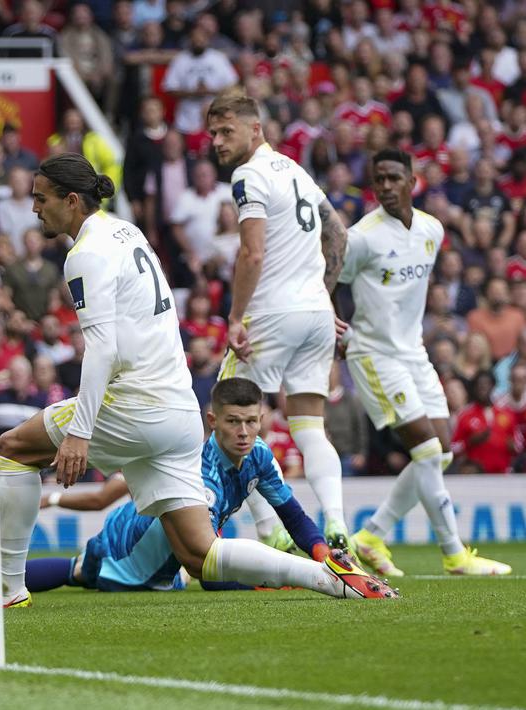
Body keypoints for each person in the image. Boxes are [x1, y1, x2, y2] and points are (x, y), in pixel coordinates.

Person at [0, 153, 392, 610]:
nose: (34, 209)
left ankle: (6, 591)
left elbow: (102, 348)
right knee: (199, 554)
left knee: (13, 449)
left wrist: (80, 433)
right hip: (179, 412)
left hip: (134, 404)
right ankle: (330, 578)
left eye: (41, 199)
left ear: (70, 200)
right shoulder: (127, 231)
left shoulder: (83, 254)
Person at [24, 379, 387, 597]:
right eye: (233, 422)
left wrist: (325, 555)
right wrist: (278, 580)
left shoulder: (259, 454)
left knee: (78, 572)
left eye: (250, 422)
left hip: (159, 551)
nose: (243, 433)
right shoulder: (203, 474)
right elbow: (209, 571)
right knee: (82, 572)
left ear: (261, 420)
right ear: (212, 421)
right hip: (127, 546)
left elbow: (292, 514)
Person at [337, 149, 510, 577]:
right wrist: (333, 323)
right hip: (374, 354)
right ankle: (454, 554)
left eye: (395, 177)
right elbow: (328, 277)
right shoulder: (361, 237)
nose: (386, 186)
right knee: (428, 450)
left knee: (442, 452)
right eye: (379, 179)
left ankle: (371, 536)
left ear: (413, 182)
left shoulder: (432, 230)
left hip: (414, 352)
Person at [207, 91, 353, 554]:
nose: (216, 141)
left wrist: (234, 317)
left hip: (270, 313)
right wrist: (323, 298)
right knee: (310, 425)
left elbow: (252, 252)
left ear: (256, 129)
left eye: (226, 131)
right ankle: (336, 522)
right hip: (314, 314)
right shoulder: (296, 170)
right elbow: (339, 235)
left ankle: (269, 530)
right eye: (212, 133)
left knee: (231, 421)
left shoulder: (248, 176)